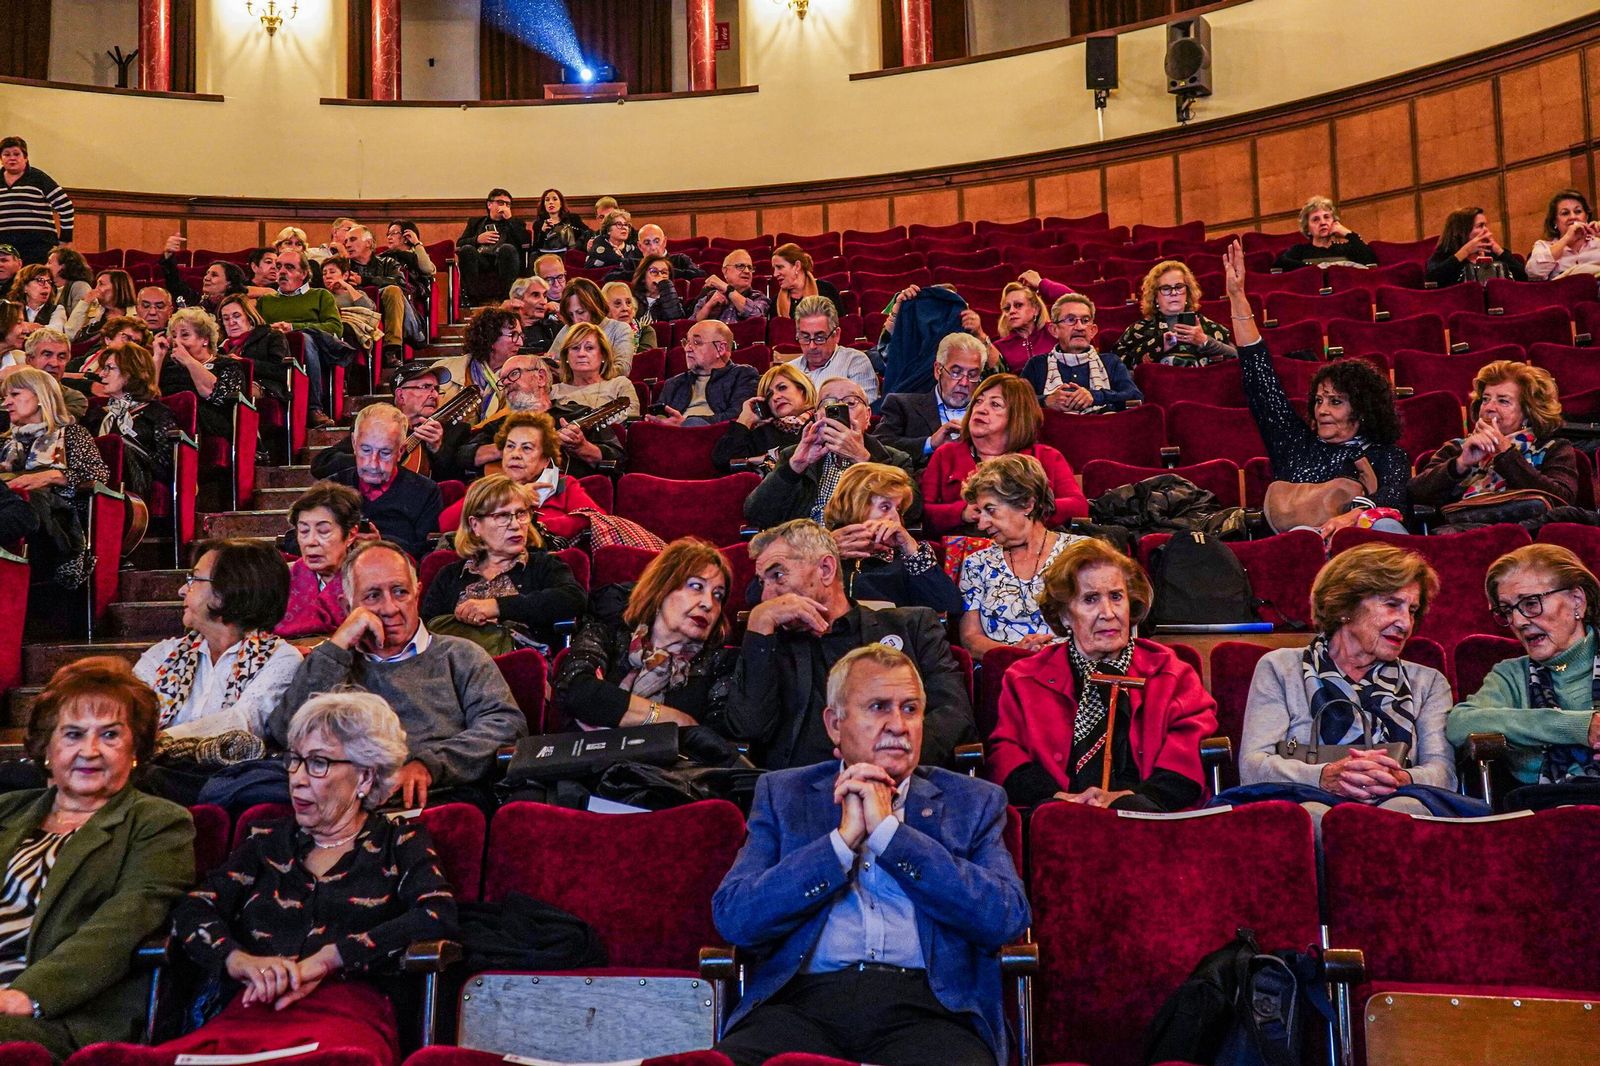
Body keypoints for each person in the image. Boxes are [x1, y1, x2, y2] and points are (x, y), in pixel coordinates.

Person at [712, 644, 1029, 1066]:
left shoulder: (972, 801)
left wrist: (891, 836)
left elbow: (1003, 917)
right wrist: (840, 844)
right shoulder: (784, 794)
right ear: (834, 724)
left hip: (930, 1012)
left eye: (911, 709)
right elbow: (736, 917)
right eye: (878, 707)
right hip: (800, 1007)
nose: (898, 725)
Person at [163, 691, 457, 1064]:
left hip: (346, 1015)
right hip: (252, 1010)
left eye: (318, 763)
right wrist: (237, 961)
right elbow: (194, 908)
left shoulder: (399, 841)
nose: (298, 779)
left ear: (365, 776)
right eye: (295, 761)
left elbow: (437, 915)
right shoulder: (266, 841)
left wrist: (328, 960)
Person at [0, 657, 192, 1060]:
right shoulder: (7, 810)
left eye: (109, 735)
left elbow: (122, 925)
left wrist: (28, 995)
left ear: (135, 749)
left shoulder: (158, 823)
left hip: (60, 1014)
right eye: (73, 734)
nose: (90, 750)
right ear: (48, 749)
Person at [271, 540, 527, 807]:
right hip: (346, 809)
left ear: (417, 595)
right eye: (373, 596)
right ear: (347, 608)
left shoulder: (460, 656)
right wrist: (339, 643)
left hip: (441, 800)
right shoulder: (332, 664)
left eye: (400, 592)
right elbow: (287, 731)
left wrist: (428, 765)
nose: (390, 608)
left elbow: (505, 726)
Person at [725, 519, 975, 770]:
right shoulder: (769, 644)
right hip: (801, 791)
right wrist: (758, 624)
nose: (767, 596)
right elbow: (749, 729)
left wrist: (889, 760)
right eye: (762, 582)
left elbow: (954, 716)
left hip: (900, 786)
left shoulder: (912, 626)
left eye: (777, 575)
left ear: (825, 569)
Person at [988, 538, 1217, 811]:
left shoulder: (1172, 673)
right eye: (1090, 599)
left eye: (1116, 597)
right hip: (1059, 818)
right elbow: (1006, 756)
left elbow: (1187, 760)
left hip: (1153, 819)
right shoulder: (1024, 678)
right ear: (1064, 615)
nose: (1108, 613)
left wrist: (1130, 800)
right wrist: (1060, 799)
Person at [1237, 544, 1454, 818]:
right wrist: (1324, 776)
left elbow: (1444, 773)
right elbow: (1253, 767)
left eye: (1412, 610)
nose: (1405, 623)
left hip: (1398, 802)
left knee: (1402, 811)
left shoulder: (1429, 682)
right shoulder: (1280, 668)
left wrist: (1400, 780)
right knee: (1312, 814)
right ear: (1344, 608)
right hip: (1308, 801)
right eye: (1392, 605)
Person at [1224, 241, 1410, 537]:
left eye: (1336, 402)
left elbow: (1393, 499)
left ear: (1361, 409)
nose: (1322, 409)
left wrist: (1349, 518)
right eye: (1319, 400)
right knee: (1304, 534)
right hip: (1304, 551)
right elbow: (1261, 381)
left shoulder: (1388, 456)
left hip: (1363, 553)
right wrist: (1238, 300)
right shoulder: (1296, 444)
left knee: (1385, 524)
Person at [555, 537, 741, 731]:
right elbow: (578, 692)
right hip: (593, 760)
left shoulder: (722, 663)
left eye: (718, 595)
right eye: (696, 587)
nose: (708, 604)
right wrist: (678, 721)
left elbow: (714, 741)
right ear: (662, 589)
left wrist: (611, 713)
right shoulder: (608, 634)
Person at [135, 538, 301, 742]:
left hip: (229, 772)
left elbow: (243, 723)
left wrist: (165, 739)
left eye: (194, 580)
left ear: (227, 590)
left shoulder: (280, 659)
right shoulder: (163, 655)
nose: (182, 590)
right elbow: (129, 716)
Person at [420, 474, 586, 655]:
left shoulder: (543, 565)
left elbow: (573, 599)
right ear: (475, 525)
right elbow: (426, 634)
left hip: (521, 672)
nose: (515, 524)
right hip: (458, 673)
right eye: (502, 516)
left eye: (521, 513)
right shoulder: (449, 575)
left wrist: (498, 606)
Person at [1408, 360, 1579, 526]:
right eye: (1485, 399)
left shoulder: (1554, 448)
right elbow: (1415, 495)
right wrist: (1460, 464)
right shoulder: (1456, 448)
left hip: (1528, 534)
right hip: (1460, 533)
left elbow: (1561, 499)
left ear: (1528, 412)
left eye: (1503, 401)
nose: (1489, 407)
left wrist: (1506, 453)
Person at [921, 373, 1087, 536]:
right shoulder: (946, 454)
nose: (981, 409)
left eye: (995, 404)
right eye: (978, 401)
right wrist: (962, 512)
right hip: (963, 551)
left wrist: (1019, 509)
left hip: (1030, 553)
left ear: (1018, 416)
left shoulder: (1046, 456)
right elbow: (922, 513)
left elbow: (1078, 506)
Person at [958, 455, 1086, 657]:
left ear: (1027, 504)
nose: (981, 524)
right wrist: (1013, 652)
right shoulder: (977, 563)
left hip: (1071, 669)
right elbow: (970, 638)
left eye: (990, 510)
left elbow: (1104, 625)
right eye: (979, 512)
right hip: (1003, 671)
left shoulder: (1081, 554)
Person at [745, 377, 913, 529]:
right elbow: (757, 515)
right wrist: (794, 467)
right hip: (808, 550)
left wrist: (863, 459)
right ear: (818, 417)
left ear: (868, 416)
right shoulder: (793, 455)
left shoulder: (896, 459)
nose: (842, 410)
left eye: (851, 402)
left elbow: (913, 512)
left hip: (865, 550)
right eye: (829, 403)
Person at [1, 367, 109, 587]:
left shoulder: (71, 434)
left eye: (15, 395)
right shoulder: (5, 443)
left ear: (41, 396)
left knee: (35, 499)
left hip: (60, 517)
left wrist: (51, 476)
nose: (6, 403)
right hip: (14, 513)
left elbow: (98, 475)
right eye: (4, 397)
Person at [437, 412, 601, 541]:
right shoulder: (486, 488)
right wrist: (509, 497)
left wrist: (534, 526)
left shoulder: (563, 485)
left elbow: (595, 520)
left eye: (527, 448)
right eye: (510, 446)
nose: (515, 454)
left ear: (545, 459)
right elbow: (446, 524)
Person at [458, 353, 623, 480]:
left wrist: (582, 447)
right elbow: (463, 455)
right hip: (510, 499)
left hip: (565, 499)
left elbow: (618, 459)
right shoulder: (498, 426)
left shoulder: (579, 414)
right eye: (502, 381)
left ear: (541, 378)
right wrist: (513, 448)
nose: (506, 383)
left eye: (513, 374)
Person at [823, 462, 959, 614]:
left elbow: (950, 608)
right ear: (854, 505)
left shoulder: (909, 556)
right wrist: (824, 551)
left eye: (899, 509)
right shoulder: (821, 548)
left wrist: (912, 551)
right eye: (885, 507)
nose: (895, 518)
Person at [322, 403, 442, 562]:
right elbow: (297, 539)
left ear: (401, 451)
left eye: (385, 453)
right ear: (353, 444)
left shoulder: (426, 492)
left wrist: (382, 545)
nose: (373, 463)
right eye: (365, 450)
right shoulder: (333, 487)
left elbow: (428, 552)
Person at [318, 362, 472, 483]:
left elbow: (456, 482)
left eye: (437, 389)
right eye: (425, 387)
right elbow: (322, 463)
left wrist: (438, 449)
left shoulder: (454, 431)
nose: (434, 395)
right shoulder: (377, 426)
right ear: (400, 396)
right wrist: (377, 458)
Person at [256, 246, 340, 427]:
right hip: (274, 348)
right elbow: (254, 330)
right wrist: (270, 328)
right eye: (279, 267)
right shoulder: (266, 301)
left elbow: (335, 328)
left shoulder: (320, 295)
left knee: (304, 339)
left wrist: (294, 327)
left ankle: (313, 408)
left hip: (315, 349)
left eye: (290, 267)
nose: (282, 272)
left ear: (303, 273)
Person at [877, 332, 985, 468]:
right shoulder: (903, 405)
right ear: (937, 370)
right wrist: (930, 443)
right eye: (956, 372)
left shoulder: (988, 413)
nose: (964, 382)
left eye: (972, 375)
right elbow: (878, 446)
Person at [1024, 293, 1143, 413]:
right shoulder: (1037, 364)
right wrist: (1046, 401)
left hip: (1104, 429)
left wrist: (1095, 396)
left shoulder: (1111, 362)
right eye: (1071, 320)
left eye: (1085, 320)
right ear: (1054, 330)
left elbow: (1135, 398)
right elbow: (1015, 402)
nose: (1080, 327)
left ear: (1092, 330)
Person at [1112, 262, 1234, 370]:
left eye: (1179, 287)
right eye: (1166, 288)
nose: (1174, 293)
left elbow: (1238, 359)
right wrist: (1158, 345)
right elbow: (1115, 368)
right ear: (1155, 296)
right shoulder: (1138, 330)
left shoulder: (1210, 327)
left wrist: (1205, 341)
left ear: (1188, 292)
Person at [280, 481, 362, 640]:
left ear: (351, 534)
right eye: (303, 531)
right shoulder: (282, 579)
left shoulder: (368, 577)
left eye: (323, 531)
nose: (311, 541)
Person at [97, 342, 178, 498]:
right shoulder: (98, 415)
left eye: (110, 368)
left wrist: (128, 445)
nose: (102, 374)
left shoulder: (156, 413)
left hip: (136, 489)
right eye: (103, 368)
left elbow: (168, 467)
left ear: (130, 373)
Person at [154, 306, 246, 440]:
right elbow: (146, 395)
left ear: (205, 339)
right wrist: (158, 357)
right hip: (166, 422)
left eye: (185, 335)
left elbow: (218, 396)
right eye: (173, 336)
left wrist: (188, 361)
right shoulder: (167, 365)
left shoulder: (227, 364)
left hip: (208, 422)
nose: (176, 341)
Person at [714, 361, 817, 473]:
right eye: (769, 394)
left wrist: (762, 460)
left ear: (802, 389)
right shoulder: (761, 433)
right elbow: (722, 462)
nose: (776, 397)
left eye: (782, 388)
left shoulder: (820, 422)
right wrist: (745, 419)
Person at [651, 319, 758, 426]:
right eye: (686, 342)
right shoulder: (673, 383)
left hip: (716, 437)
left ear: (720, 349)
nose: (687, 349)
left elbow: (739, 416)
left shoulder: (742, 375)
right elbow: (661, 419)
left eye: (697, 342)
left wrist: (684, 423)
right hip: (672, 438)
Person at [344, 224, 426, 358]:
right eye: (345, 241)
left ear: (368, 243)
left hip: (387, 307)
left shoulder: (388, 262)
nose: (347, 244)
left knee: (393, 290)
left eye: (352, 239)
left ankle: (391, 349)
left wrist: (364, 281)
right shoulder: (343, 267)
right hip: (355, 312)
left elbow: (400, 283)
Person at [435, 306, 523, 423]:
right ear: (491, 337)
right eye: (513, 335)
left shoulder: (523, 376)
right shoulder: (445, 369)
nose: (521, 343)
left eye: (521, 336)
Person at [785, 295, 878, 401]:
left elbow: (860, 411)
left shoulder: (855, 363)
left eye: (820, 338)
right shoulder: (789, 371)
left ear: (836, 334)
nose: (812, 346)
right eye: (805, 337)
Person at [0, 137, 75, 265]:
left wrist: (65, 240)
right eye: (7, 154)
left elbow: (66, 207)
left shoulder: (39, 178)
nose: (12, 158)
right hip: (4, 248)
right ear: (1, 159)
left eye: (17, 154)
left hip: (38, 246)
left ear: (25, 157)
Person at [547, 277, 636, 377]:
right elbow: (551, 360)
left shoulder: (620, 329)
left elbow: (622, 370)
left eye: (581, 312)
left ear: (595, 307)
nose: (576, 321)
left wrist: (572, 373)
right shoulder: (569, 329)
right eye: (571, 315)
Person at [456, 188, 531, 306]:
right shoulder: (475, 222)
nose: (504, 207)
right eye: (501, 203)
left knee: (507, 248)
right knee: (466, 250)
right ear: (489, 204)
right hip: (482, 260)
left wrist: (510, 220)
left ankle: (507, 298)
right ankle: (471, 299)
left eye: (508, 204)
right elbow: (460, 244)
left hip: (505, 260)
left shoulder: (517, 223)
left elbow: (525, 243)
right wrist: (477, 239)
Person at [550, 320, 640, 418]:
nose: (581, 354)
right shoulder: (553, 392)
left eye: (589, 348)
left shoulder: (620, 385)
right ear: (566, 357)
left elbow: (630, 419)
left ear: (603, 355)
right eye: (575, 348)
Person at [216, 293, 293, 404]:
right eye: (226, 319)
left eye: (237, 316)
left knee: (233, 391)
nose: (231, 322)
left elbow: (280, 371)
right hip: (228, 384)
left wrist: (243, 363)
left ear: (250, 318)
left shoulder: (272, 336)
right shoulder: (220, 348)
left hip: (264, 386)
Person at [1426, 206, 1527, 286]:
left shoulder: (1494, 253)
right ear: (1462, 231)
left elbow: (1523, 278)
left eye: (1485, 225)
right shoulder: (1444, 254)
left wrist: (1498, 250)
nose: (1486, 230)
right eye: (1480, 226)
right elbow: (1432, 280)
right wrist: (1465, 252)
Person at [1271, 196, 1379, 271]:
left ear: (1334, 222)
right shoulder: (1299, 251)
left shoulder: (1346, 249)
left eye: (1327, 217)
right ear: (1307, 228)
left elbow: (1371, 261)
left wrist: (1349, 234)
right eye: (1316, 219)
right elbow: (1280, 264)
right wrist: (1316, 268)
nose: (1323, 222)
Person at [10, 328, 87, 419]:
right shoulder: (8, 392)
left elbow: (52, 423)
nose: (54, 363)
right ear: (29, 360)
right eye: (47, 355)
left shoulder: (73, 399)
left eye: (61, 357)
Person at [1527, 188, 1600, 280]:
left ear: (1586, 217)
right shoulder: (1544, 247)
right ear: (1555, 222)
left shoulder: (1597, 243)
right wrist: (1567, 238)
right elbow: (1533, 273)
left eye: (1578, 212)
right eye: (1565, 213)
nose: (1573, 217)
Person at [57, 268, 135, 344]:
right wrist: (84, 303)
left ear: (117, 288)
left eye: (101, 284)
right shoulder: (93, 310)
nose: (96, 289)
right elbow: (69, 335)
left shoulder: (134, 316)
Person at [989, 281, 1053, 372]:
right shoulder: (999, 347)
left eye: (1018, 305)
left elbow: (1076, 304)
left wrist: (1041, 283)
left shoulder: (1053, 332)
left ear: (1036, 309)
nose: (1011, 311)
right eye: (1007, 308)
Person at [693, 248, 771, 323]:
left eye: (750, 267)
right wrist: (708, 306)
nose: (747, 271)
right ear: (725, 271)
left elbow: (757, 317)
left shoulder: (758, 297)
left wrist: (728, 290)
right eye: (740, 266)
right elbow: (690, 326)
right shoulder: (710, 297)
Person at [609, 224, 705, 282]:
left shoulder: (680, 260)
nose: (653, 247)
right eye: (647, 243)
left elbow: (701, 276)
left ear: (664, 242)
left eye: (656, 241)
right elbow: (609, 277)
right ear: (640, 246)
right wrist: (645, 273)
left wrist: (664, 273)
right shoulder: (631, 264)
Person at [771, 244, 842, 321]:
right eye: (774, 269)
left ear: (797, 266)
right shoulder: (776, 302)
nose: (775, 274)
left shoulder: (827, 290)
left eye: (779, 267)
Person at [381, 218, 437, 296]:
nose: (389, 237)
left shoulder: (416, 256)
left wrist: (417, 243)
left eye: (394, 233)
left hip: (409, 294)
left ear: (407, 237)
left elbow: (427, 269)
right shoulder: (385, 256)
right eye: (388, 234)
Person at [509, 274, 562, 352]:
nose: (543, 302)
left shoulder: (553, 327)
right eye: (535, 295)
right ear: (518, 299)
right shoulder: (507, 330)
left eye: (544, 296)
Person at [631, 253, 687, 324]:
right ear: (643, 277)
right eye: (654, 271)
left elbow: (676, 322)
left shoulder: (674, 301)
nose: (660, 276)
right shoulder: (632, 298)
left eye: (664, 272)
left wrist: (666, 287)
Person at [601, 280, 656, 351]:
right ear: (605, 309)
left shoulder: (645, 331)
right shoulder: (596, 334)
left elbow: (644, 360)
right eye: (617, 303)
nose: (625, 308)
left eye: (628, 302)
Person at [532, 188, 590, 253]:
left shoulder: (573, 219)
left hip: (569, 256)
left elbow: (588, 233)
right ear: (544, 204)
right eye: (547, 200)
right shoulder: (539, 223)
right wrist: (542, 232)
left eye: (555, 199)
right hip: (547, 257)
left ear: (561, 203)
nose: (551, 202)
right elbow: (535, 248)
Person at [6, 263, 56, 329]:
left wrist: (21, 326)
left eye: (49, 281)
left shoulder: (57, 309)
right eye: (40, 280)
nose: (46, 285)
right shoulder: (10, 309)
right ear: (24, 287)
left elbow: (56, 330)